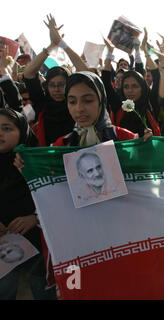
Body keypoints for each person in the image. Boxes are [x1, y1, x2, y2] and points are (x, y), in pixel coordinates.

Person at [0, 108, 56, 300]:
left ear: (22, 131)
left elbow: (54, 198)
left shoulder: (36, 162)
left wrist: (34, 218)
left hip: (38, 240)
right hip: (4, 244)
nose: (0, 133)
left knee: (39, 283)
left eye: (6, 128)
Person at [22, 14, 89, 146]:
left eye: (61, 85)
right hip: (50, 161)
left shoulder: (78, 105)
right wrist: (52, 45)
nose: (57, 89)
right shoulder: (42, 103)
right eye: (52, 85)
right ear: (47, 87)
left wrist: (62, 43)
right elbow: (28, 73)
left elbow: (86, 72)